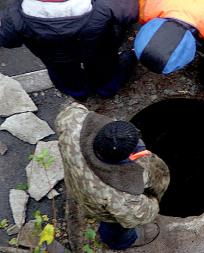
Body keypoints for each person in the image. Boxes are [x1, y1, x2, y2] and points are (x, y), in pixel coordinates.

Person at [55, 103, 170, 250]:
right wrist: (154, 201)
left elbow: (69, 110)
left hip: (75, 184)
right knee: (115, 227)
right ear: (126, 158)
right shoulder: (121, 195)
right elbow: (141, 215)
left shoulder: (74, 124)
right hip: (99, 206)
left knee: (89, 203)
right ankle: (119, 241)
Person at [0, 0, 138, 100]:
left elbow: (8, 41)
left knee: (64, 76)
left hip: (54, 58)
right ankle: (105, 89)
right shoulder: (105, 4)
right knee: (104, 69)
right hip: (98, 48)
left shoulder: (13, 16)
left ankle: (79, 93)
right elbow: (131, 13)